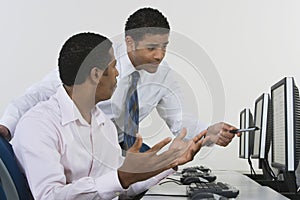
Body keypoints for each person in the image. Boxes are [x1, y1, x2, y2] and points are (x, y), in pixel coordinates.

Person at [0, 7, 238, 147]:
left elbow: (181, 121)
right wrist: (7, 126)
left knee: (162, 173)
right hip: (88, 144)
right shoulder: (101, 61)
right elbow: (38, 95)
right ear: (130, 42)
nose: (160, 56)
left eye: (165, 46)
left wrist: (210, 132)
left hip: (127, 144)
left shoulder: (164, 77)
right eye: (152, 47)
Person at [12, 32, 207, 199]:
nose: (117, 74)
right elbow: (50, 196)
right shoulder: (38, 125)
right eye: (113, 67)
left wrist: (169, 161)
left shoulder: (103, 124)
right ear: (96, 74)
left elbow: (122, 185)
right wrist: (122, 177)